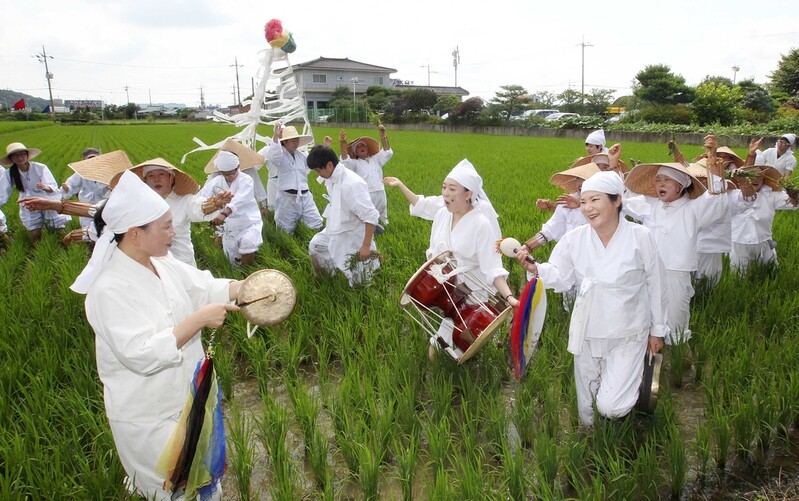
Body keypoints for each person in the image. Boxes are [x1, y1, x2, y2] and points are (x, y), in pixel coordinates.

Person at [70, 170, 241, 501]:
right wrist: (198, 320)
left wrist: (245, 288)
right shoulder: (108, 289)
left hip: (187, 399)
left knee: (202, 483)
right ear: (134, 233)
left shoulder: (162, 263)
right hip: (148, 415)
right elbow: (140, 353)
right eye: (165, 226)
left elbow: (204, 286)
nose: (172, 232)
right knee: (169, 490)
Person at [516, 171, 668, 427]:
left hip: (628, 332)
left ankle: (636, 379)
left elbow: (656, 284)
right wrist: (536, 268)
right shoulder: (574, 239)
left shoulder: (640, 237)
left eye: (595, 200)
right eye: (584, 201)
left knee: (611, 407)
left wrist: (658, 331)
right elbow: (562, 278)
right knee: (586, 405)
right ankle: (589, 441)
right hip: (587, 329)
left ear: (617, 200)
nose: (587, 208)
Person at [384, 159, 518, 358]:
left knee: (447, 346)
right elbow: (434, 254)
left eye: (452, 188)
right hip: (447, 291)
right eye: (444, 187)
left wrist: (508, 297)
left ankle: (460, 379)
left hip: (471, 293)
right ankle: (461, 376)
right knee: (457, 344)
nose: (445, 193)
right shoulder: (442, 215)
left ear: (468, 193)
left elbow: (493, 267)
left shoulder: (481, 224)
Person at [624, 136, 728, 345]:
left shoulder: (693, 210)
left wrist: (713, 157)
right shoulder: (651, 205)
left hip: (676, 273)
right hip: (647, 270)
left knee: (676, 317)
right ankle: (647, 353)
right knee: (645, 314)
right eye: (658, 181)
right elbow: (622, 202)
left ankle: (677, 357)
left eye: (666, 181)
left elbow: (716, 198)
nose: (660, 184)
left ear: (681, 186)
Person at [136, 157, 231, 267]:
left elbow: (198, 207)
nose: (156, 179)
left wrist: (214, 203)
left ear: (171, 178)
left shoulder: (184, 200)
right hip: (153, 265)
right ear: (145, 181)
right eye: (151, 175)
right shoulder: (141, 204)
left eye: (161, 174)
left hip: (181, 263)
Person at [307, 143, 380, 286]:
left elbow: (371, 216)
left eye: (317, 170)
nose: (318, 174)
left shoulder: (352, 184)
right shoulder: (332, 177)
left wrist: (365, 246)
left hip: (353, 233)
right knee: (316, 245)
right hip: (336, 226)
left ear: (329, 165)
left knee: (361, 281)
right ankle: (326, 279)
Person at [200, 145, 263, 266]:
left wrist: (224, 213)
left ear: (238, 167)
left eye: (232, 173)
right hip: (229, 225)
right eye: (225, 174)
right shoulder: (217, 181)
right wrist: (208, 208)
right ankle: (236, 278)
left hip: (248, 222)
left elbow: (239, 199)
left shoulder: (246, 180)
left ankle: (247, 274)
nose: (229, 176)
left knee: (248, 245)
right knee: (232, 259)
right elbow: (203, 196)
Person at [728, 165, 797, 271]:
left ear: (764, 179)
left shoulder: (772, 195)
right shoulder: (733, 195)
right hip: (739, 242)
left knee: (771, 271)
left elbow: (792, 203)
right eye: (751, 176)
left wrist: (795, 196)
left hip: (764, 241)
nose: (755, 180)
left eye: (759, 176)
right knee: (738, 274)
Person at [0, 142, 69, 242]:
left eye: (22, 154)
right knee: (34, 230)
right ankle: (36, 251)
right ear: (11, 159)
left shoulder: (40, 167)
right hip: (27, 202)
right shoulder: (9, 173)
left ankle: (63, 246)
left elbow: (52, 185)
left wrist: (46, 187)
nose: (20, 158)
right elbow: (2, 193)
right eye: (16, 156)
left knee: (57, 226)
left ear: (27, 155)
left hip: (46, 199)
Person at [265, 124, 323, 234]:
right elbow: (274, 154)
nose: (296, 143)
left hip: (305, 196)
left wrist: (325, 148)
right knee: (285, 229)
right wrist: (276, 137)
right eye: (292, 141)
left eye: (297, 140)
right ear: (284, 142)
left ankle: (316, 242)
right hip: (287, 197)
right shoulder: (280, 156)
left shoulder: (302, 155)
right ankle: (288, 246)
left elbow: (312, 163)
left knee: (315, 222)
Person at [339, 125, 393, 229]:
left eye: (363, 146)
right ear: (355, 152)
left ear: (367, 149)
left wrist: (383, 137)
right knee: (369, 215)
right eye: (358, 147)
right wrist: (342, 144)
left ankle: (386, 228)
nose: (361, 148)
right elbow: (345, 160)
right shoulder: (355, 163)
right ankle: (370, 229)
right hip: (366, 193)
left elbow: (387, 152)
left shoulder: (375, 159)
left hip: (380, 190)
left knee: (383, 214)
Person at [60, 147, 111, 228]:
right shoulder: (81, 174)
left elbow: (115, 186)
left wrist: (111, 188)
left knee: (104, 228)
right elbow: (71, 183)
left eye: (95, 159)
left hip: (103, 206)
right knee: (88, 230)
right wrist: (67, 188)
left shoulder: (107, 172)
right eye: (89, 160)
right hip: (86, 207)